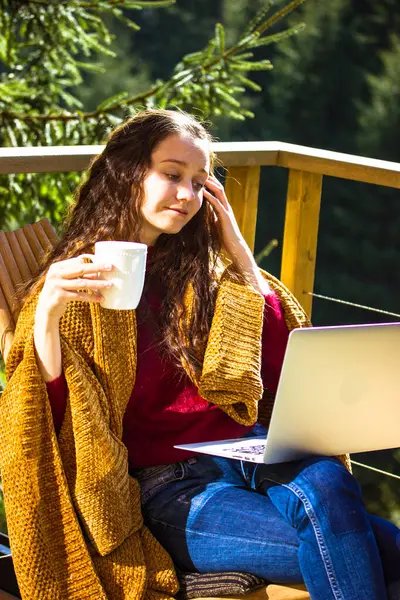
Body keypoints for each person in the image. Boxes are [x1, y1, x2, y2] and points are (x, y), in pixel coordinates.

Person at [1, 109, 399, 600]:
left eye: (199, 180)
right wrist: (47, 314)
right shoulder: (77, 287)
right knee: (379, 549)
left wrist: (240, 254)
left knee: (330, 485)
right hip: (169, 489)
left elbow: (277, 371)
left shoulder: (209, 275)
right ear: (129, 174)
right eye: (172, 175)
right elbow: (50, 422)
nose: (187, 195)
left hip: (248, 451)